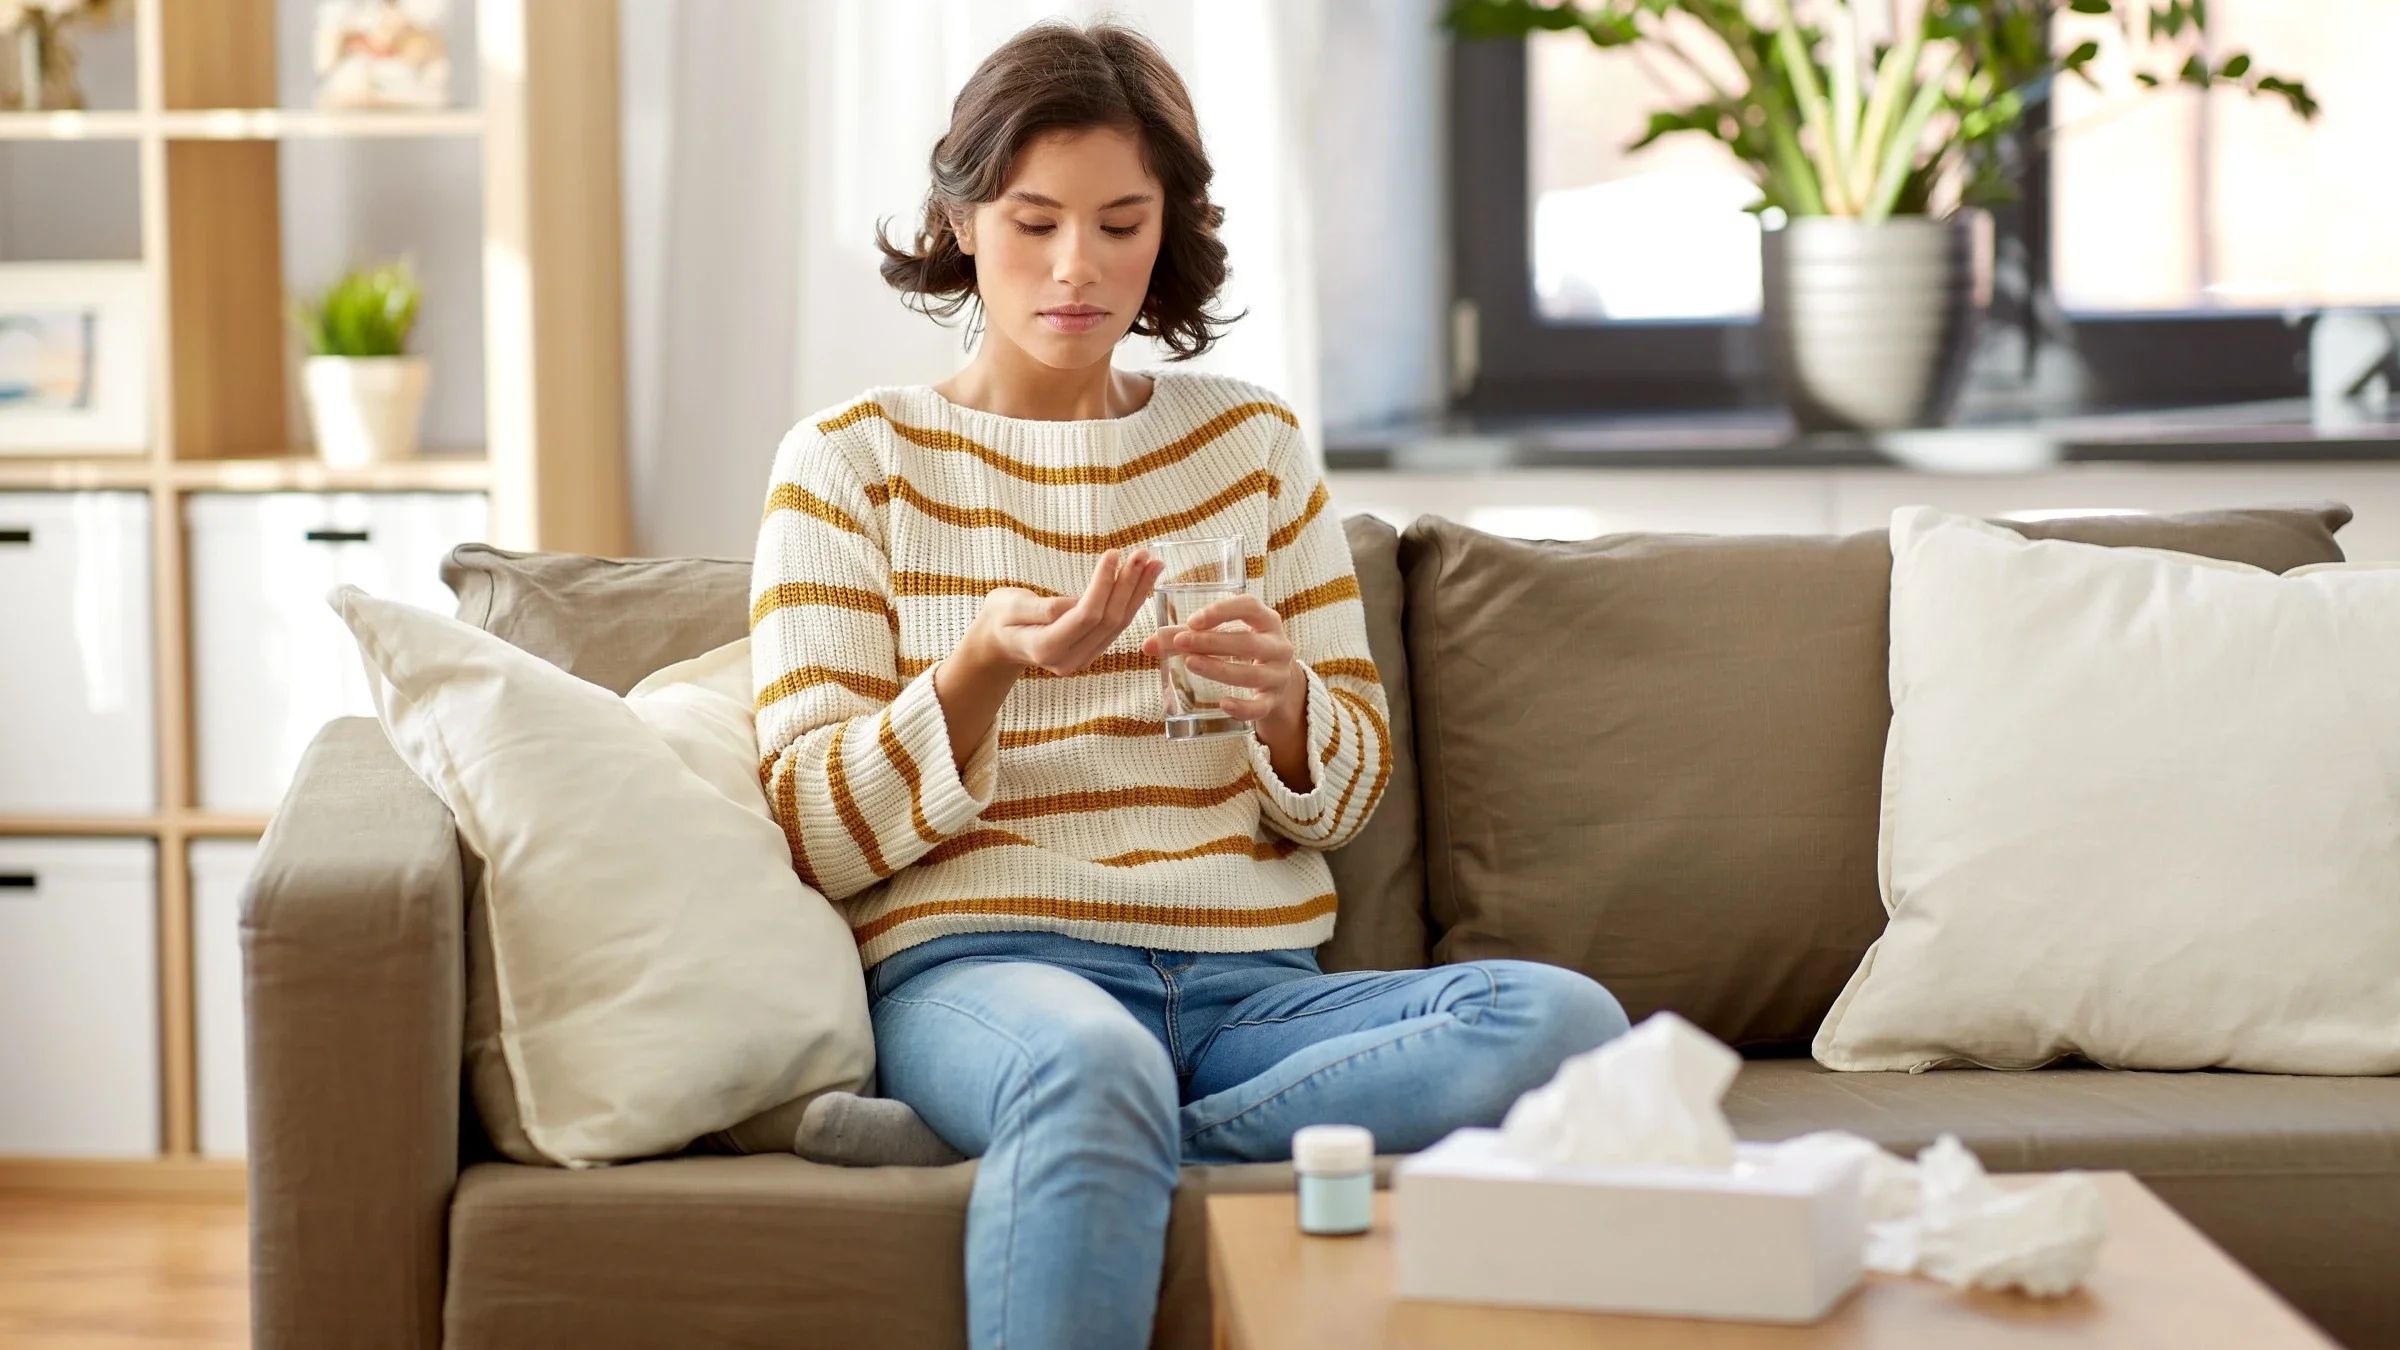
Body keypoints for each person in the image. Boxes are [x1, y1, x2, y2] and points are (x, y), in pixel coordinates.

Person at [749, 19, 1628, 1350]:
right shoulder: (849, 464)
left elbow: (1340, 796)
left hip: (1246, 982)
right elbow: (814, 831)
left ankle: (1066, 1130)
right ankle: (1077, 1104)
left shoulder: (1250, 444)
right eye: (1034, 220)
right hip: (986, 965)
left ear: (1169, 228)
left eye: (1121, 222)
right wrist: (983, 667)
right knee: (1084, 1063)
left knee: (1565, 1020)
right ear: (960, 215)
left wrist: (1284, 706)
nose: (1075, 267)